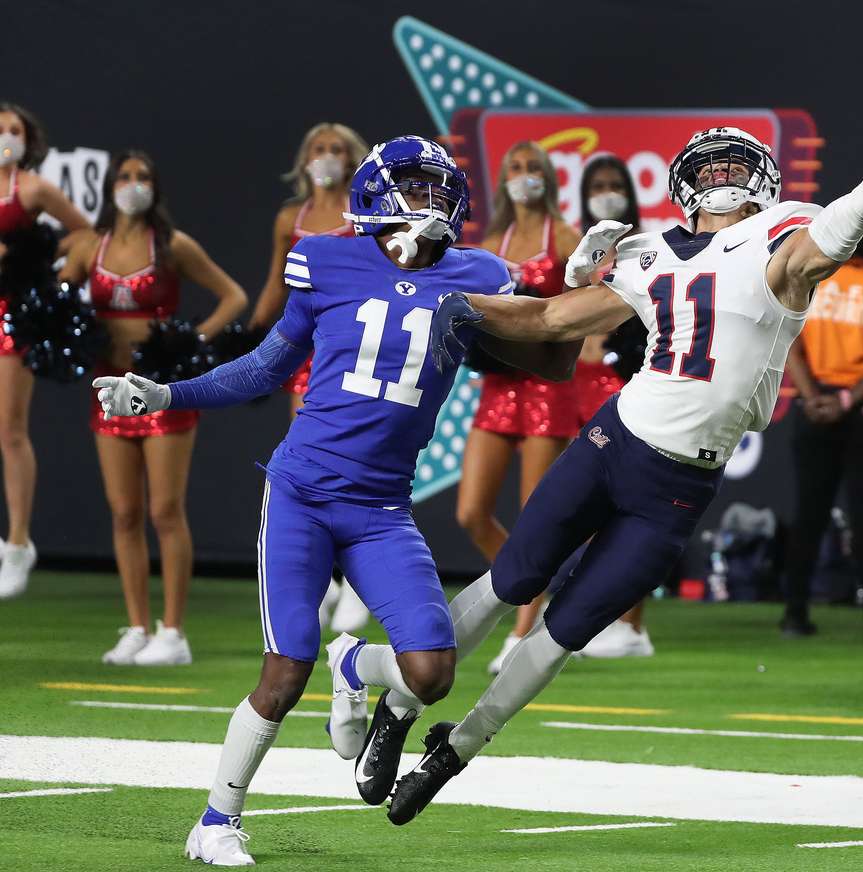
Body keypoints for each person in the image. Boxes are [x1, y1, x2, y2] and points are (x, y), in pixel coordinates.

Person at [387, 50, 863, 825]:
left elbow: (850, 216)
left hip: (679, 487)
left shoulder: (782, 244)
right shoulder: (645, 251)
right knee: (513, 575)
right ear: (686, 183)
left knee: (564, 632)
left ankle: (457, 748)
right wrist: (461, 299)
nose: (723, 174)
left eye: (735, 162)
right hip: (615, 438)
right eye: (710, 163)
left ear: (761, 179)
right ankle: (394, 706)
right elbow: (553, 319)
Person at [92, 137, 576, 865]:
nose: (434, 201)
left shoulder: (477, 273)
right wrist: (167, 393)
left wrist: (581, 286)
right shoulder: (326, 257)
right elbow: (265, 367)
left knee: (432, 674)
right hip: (305, 494)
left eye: (442, 189)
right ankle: (216, 820)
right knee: (284, 672)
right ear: (380, 195)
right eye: (417, 186)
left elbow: (552, 361)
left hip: (382, 508)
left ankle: (353, 670)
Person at [60, 150, 248, 665]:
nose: (133, 184)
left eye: (143, 176)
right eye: (125, 176)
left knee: (165, 510)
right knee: (124, 513)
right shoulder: (87, 245)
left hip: (160, 395)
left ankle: (174, 632)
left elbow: (233, 295)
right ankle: (137, 627)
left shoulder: (171, 246)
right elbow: (56, 301)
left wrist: (190, 343)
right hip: (108, 393)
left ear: (156, 188)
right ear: (110, 185)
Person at [457, 140, 581, 674]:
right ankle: (529, 592)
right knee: (470, 511)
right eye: (515, 167)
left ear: (549, 178)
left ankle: (525, 628)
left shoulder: (568, 237)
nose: (523, 176)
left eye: (533, 168)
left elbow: (583, 306)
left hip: (547, 386)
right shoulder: (489, 243)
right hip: (499, 385)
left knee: (536, 515)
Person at [248, 122, 372, 635]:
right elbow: (277, 286)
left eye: (337, 149)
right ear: (304, 160)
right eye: (318, 149)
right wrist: (249, 337)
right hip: (306, 351)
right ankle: (331, 579)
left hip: (354, 348)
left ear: (353, 159)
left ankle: (358, 579)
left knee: (356, 456)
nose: (326, 157)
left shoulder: (367, 214)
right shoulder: (289, 218)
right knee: (314, 458)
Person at [779, 224, 863, 641]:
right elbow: (787, 337)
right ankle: (794, 614)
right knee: (809, 516)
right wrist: (811, 397)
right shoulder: (814, 273)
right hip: (816, 403)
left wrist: (842, 401)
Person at [0, 102, 90, 598]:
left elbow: (82, 232)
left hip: (12, 317)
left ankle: (18, 542)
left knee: (10, 430)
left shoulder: (32, 188)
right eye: (0, 129)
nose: (6, 136)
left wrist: (38, 262)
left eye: (15, 130)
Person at [573, 154, 654, 659]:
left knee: (631, 503)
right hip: (576, 384)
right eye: (597, 185)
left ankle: (633, 624)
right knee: (586, 507)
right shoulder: (577, 251)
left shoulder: (649, 251)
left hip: (625, 381)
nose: (607, 193)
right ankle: (599, 616)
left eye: (614, 185)